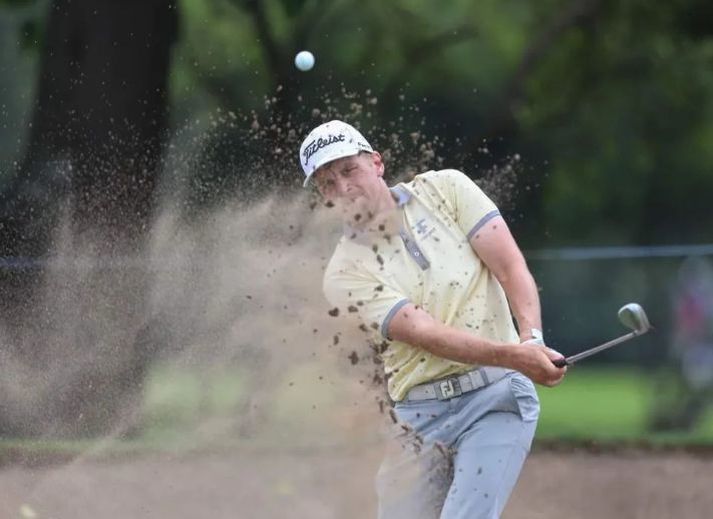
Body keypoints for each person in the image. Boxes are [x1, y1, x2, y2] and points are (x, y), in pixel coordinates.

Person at [299, 120, 567, 519]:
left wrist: (530, 339)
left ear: (376, 163)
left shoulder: (446, 189)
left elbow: (510, 267)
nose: (342, 188)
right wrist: (514, 355)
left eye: (348, 170)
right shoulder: (343, 274)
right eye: (326, 183)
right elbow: (423, 332)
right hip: (417, 420)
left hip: (497, 397)